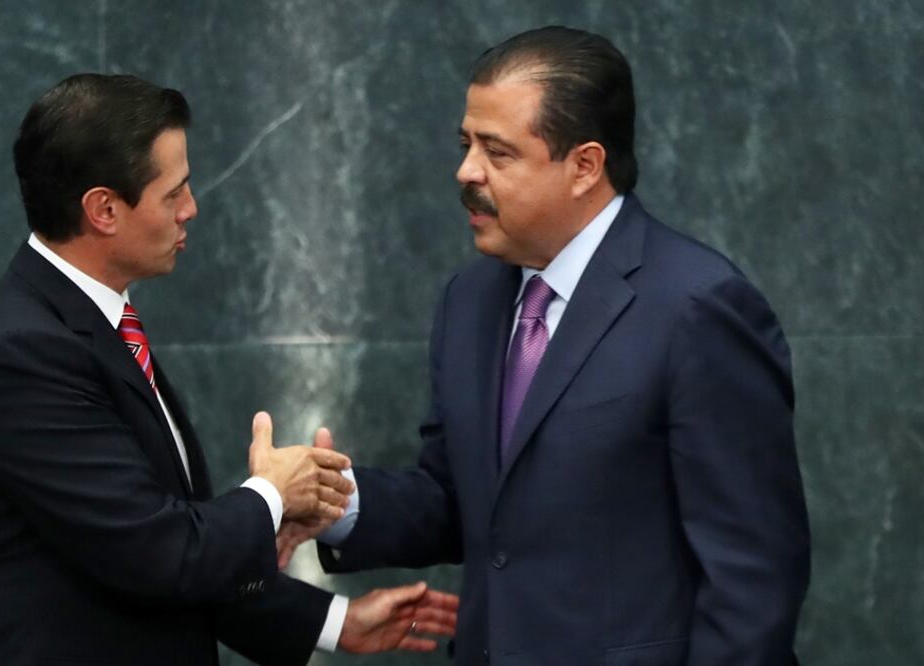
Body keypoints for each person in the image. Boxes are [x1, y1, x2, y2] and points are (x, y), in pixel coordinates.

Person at [299, 26, 811, 665]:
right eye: (466, 144)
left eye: (498, 152)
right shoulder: (469, 301)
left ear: (585, 167)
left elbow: (753, 578)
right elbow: (465, 499)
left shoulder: (699, 309)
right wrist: (335, 500)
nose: (465, 170)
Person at [0, 73, 456, 666]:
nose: (192, 209)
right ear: (104, 209)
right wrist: (272, 493)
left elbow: (161, 553)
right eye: (174, 193)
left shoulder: (91, 323)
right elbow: (158, 553)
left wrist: (335, 621)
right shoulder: (26, 350)